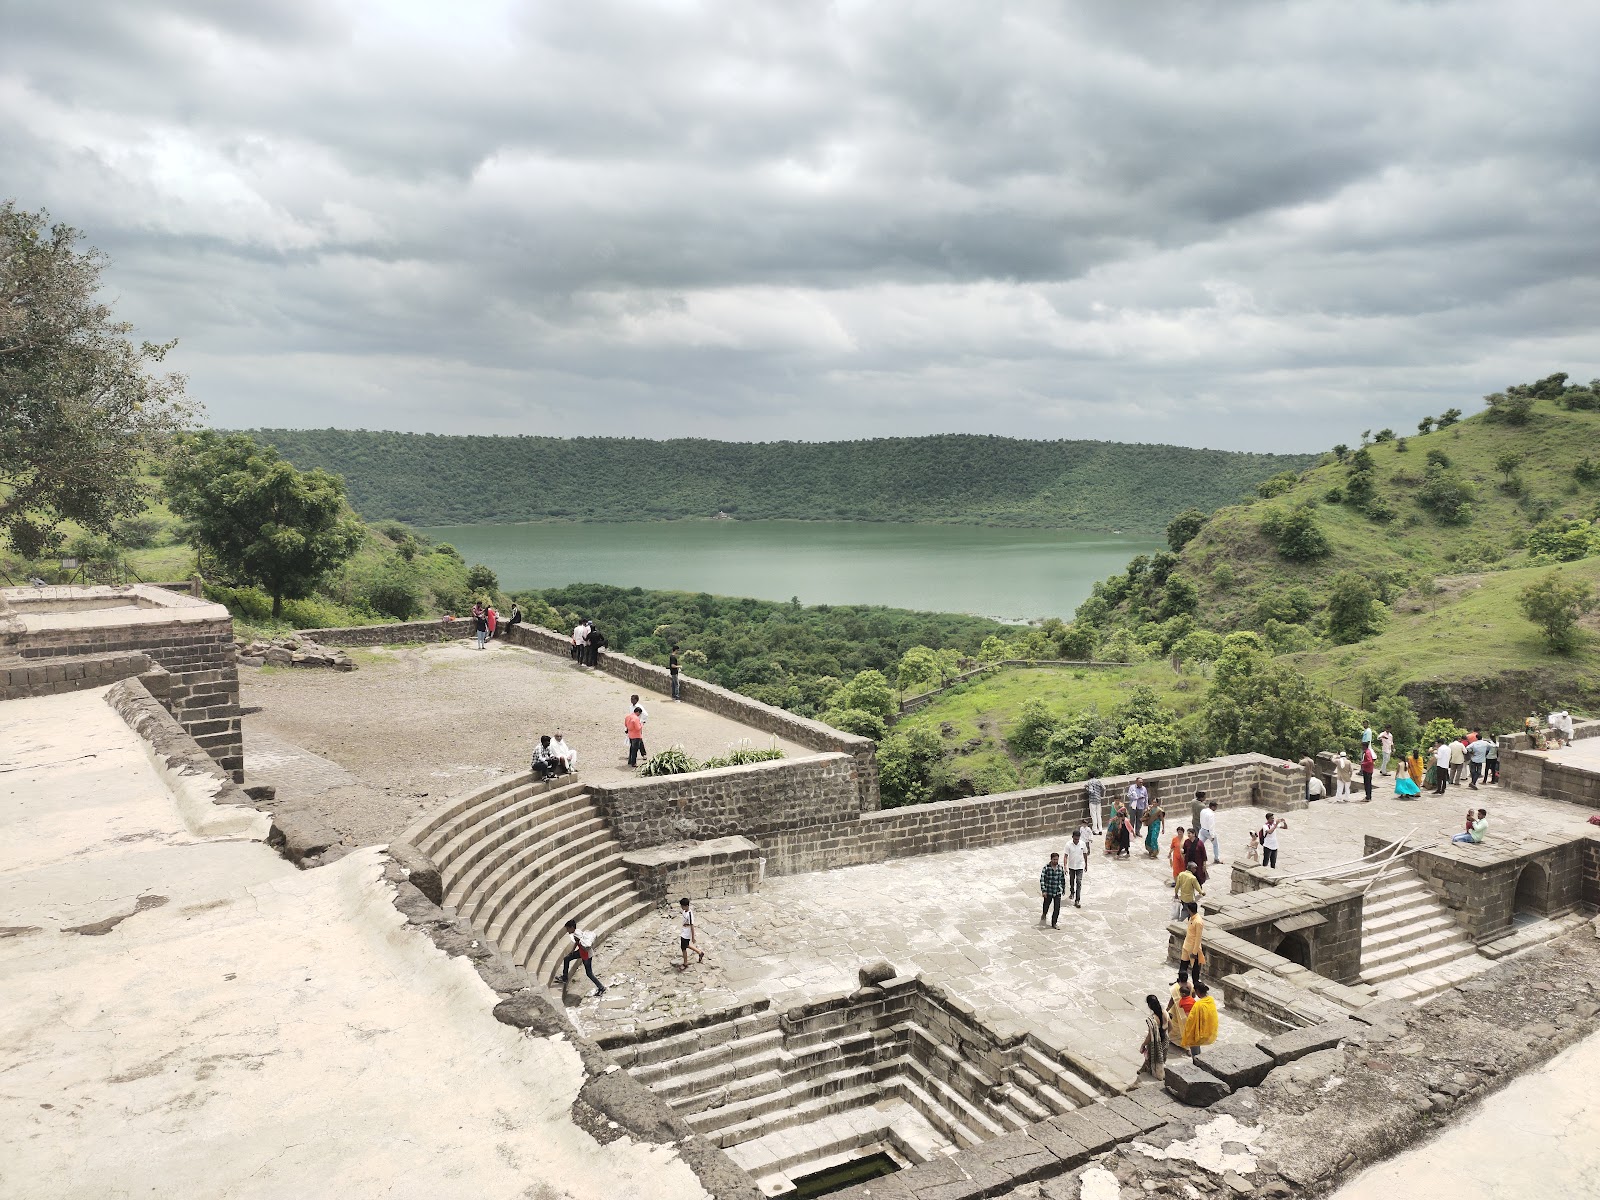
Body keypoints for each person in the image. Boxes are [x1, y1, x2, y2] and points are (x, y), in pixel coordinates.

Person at [558, 919, 606, 997]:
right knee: (567, 958)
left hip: (586, 955)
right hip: (582, 953)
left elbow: (583, 943)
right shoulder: (577, 932)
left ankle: (601, 987)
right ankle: (564, 977)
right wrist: (573, 951)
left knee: (589, 973)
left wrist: (578, 950)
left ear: (572, 927)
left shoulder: (577, 934)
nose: (567, 931)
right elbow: (577, 942)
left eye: (568, 929)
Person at [1181, 981, 1218, 1061]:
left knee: (1195, 1052)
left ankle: (1197, 1066)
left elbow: (1191, 1019)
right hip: (1206, 1028)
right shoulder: (1210, 999)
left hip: (1197, 1030)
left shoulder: (1199, 1005)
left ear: (1197, 991)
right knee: (1197, 1050)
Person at [1140, 994, 1169, 1082]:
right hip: (1165, 1040)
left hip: (1156, 1042)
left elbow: (1150, 1035)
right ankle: (1143, 1069)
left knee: (1150, 1057)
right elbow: (1170, 1026)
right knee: (1161, 1058)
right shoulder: (1164, 1012)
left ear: (1149, 1005)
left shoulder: (1152, 1019)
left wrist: (1143, 1044)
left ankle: (1153, 1073)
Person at [1180, 902, 1205, 986]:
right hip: (1186, 945)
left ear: (1189, 910)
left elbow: (1198, 938)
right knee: (1183, 964)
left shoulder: (1198, 921)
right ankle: (1180, 981)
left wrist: (1194, 952)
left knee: (1195, 968)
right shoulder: (1191, 918)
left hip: (1193, 948)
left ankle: (1196, 984)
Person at [1039, 852, 1066, 927]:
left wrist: (1063, 888)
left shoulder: (1060, 868)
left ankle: (1054, 923)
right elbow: (1042, 879)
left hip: (1057, 891)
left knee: (1057, 908)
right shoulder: (1046, 868)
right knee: (1046, 905)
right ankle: (1044, 913)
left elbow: (1062, 879)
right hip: (1049, 891)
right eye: (1054, 859)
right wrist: (1043, 890)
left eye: (1057, 859)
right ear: (1051, 859)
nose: (1055, 861)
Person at [678, 897, 705, 969]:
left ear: (686, 906)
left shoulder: (689, 914)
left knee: (683, 948)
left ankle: (685, 963)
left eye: (682, 906)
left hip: (686, 933)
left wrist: (693, 937)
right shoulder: (684, 912)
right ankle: (699, 952)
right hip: (684, 931)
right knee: (686, 945)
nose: (681, 907)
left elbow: (692, 926)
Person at [1065, 830, 1089, 908]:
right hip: (1071, 866)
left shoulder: (1082, 844)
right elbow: (1065, 856)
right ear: (1072, 837)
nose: (1076, 841)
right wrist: (1065, 866)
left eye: (1078, 839)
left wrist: (1086, 864)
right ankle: (1072, 892)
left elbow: (1085, 854)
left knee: (1079, 882)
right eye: (1075, 839)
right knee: (1072, 880)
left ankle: (1077, 900)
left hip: (1080, 866)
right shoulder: (1068, 844)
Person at [1198, 795, 1221, 865]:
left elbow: (1201, 819)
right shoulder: (1211, 814)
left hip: (1202, 830)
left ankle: (1197, 857)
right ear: (1213, 807)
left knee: (1199, 844)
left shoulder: (1203, 810)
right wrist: (1212, 835)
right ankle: (1216, 858)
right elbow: (1211, 826)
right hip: (1208, 831)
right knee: (1215, 845)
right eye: (1215, 807)